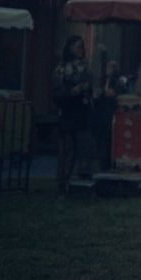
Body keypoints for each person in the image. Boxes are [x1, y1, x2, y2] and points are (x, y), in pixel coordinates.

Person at [53, 36, 93, 193]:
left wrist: (87, 89)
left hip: (83, 110)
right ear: (69, 47)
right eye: (77, 47)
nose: (80, 50)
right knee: (67, 148)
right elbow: (56, 93)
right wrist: (72, 91)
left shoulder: (84, 66)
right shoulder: (61, 68)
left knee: (84, 145)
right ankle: (62, 181)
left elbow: (90, 84)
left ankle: (83, 180)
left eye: (81, 47)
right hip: (68, 110)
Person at [94, 61, 127, 171]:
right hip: (103, 113)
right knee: (103, 139)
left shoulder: (116, 81)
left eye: (109, 67)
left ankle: (108, 163)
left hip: (110, 112)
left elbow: (111, 94)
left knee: (109, 139)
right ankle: (103, 163)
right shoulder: (105, 80)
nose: (107, 69)